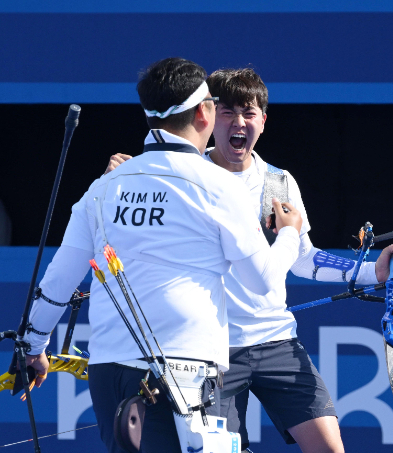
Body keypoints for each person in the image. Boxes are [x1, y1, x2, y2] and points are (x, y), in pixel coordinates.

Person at [105, 67, 393, 452]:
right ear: (209, 117)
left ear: (263, 122)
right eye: (228, 111)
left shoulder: (279, 183)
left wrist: (373, 272)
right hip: (210, 353)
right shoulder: (181, 178)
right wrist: (123, 181)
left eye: (249, 113)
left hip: (276, 341)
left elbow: (304, 258)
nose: (239, 122)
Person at [22, 57, 304, 453]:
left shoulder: (104, 188)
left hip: (109, 374)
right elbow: (263, 282)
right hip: (179, 375)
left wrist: (33, 346)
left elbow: (58, 280)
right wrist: (289, 236)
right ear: (205, 113)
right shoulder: (221, 187)